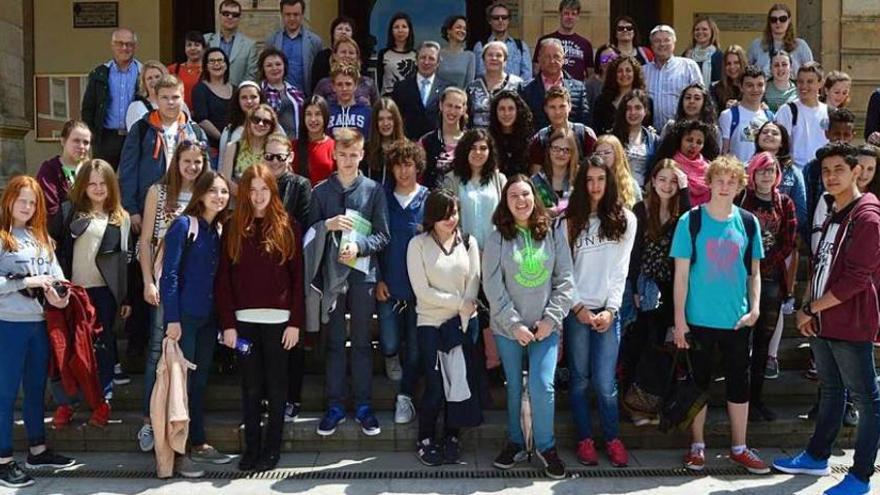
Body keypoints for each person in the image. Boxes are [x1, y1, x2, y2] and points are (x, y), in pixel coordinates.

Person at [773, 143, 880, 495]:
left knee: (866, 400)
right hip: (822, 320)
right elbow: (819, 265)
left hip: (851, 321)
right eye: (825, 171)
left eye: (839, 169)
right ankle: (817, 456)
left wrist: (811, 309)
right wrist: (808, 306)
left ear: (856, 172)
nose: (831, 176)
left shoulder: (867, 216)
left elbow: (856, 279)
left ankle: (861, 476)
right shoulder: (836, 210)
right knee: (831, 389)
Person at [670, 155, 769, 475]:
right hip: (698, 319)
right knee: (698, 385)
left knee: (739, 385)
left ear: (741, 186)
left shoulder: (749, 222)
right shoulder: (691, 221)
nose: (725, 186)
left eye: (732, 181)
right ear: (708, 183)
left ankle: (739, 447)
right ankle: (697, 446)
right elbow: (681, 276)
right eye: (719, 180)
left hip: (737, 320)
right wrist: (680, 320)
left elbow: (755, 273)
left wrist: (755, 309)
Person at [483, 174, 574, 479]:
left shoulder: (551, 232)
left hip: (545, 327)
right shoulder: (497, 238)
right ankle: (515, 441)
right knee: (512, 389)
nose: (521, 201)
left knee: (542, 386)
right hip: (508, 328)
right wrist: (514, 324)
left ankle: (546, 447)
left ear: (535, 197)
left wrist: (550, 319)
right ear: (505, 203)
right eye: (513, 196)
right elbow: (492, 286)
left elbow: (565, 280)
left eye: (525, 194)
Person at [216, 164, 302, 472]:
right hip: (244, 324)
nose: (258, 196)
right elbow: (223, 279)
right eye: (252, 190)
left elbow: (297, 279)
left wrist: (295, 322)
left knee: (277, 386)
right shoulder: (233, 225)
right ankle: (251, 448)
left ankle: (271, 449)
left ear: (272, 191)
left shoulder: (288, 224)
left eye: (263, 189)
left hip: (279, 322)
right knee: (250, 386)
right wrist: (228, 324)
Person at [306, 128, 389, 437]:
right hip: (331, 276)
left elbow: (383, 235)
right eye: (343, 154)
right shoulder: (320, 191)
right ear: (334, 155)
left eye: (354, 155)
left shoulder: (373, 190)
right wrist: (326, 225)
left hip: (362, 275)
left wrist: (361, 246)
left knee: (363, 344)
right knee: (335, 342)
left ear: (362, 155)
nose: (348, 160)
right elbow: (309, 236)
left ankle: (364, 406)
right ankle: (335, 405)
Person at [0, 176, 76, 489]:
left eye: (33, 202)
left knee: (35, 390)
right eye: (23, 201)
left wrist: (62, 294)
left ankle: (37, 449)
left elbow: (57, 276)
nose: (28, 207)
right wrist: (24, 283)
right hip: (8, 325)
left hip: (38, 324)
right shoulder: (3, 237)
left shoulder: (40, 237)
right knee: (4, 395)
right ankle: (3, 461)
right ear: (9, 200)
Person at [562, 153, 636, 467]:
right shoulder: (569, 220)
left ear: (609, 182)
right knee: (579, 380)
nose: (595, 186)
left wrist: (611, 309)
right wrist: (577, 306)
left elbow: (622, 270)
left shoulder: (625, 219)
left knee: (605, 384)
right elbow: (564, 270)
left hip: (609, 311)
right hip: (577, 311)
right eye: (589, 179)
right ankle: (585, 439)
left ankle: (612, 438)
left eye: (601, 179)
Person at [134, 140, 207, 453]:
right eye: (186, 161)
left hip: (196, 288)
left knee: (187, 357)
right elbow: (146, 242)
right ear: (176, 161)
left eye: (198, 162)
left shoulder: (208, 193)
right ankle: (150, 421)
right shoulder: (159, 192)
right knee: (156, 350)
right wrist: (148, 281)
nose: (192, 167)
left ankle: (181, 420)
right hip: (166, 283)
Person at [159, 170, 232, 474]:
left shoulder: (217, 229)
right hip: (185, 318)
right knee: (181, 387)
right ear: (201, 193)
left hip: (208, 318)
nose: (219, 197)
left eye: (224, 192)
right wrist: (172, 318)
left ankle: (199, 441)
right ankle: (180, 452)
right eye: (213, 191)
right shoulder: (182, 225)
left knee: (199, 383)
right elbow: (170, 275)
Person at [50, 159, 129, 427]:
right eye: (91, 183)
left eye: (102, 183)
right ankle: (66, 403)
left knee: (103, 348)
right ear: (82, 186)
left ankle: (103, 400)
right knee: (66, 349)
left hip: (103, 294)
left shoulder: (120, 218)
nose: (97, 188)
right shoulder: (69, 212)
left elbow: (123, 261)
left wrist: (124, 297)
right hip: (72, 294)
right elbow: (52, 249)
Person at [407, 188, 481, 466]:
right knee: (436, 386)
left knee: (458, 385)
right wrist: (458, 302)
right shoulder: (418, 244)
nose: (451, 219)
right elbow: (422, 290)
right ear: (432, 217)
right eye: (444, 215)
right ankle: (425, 438)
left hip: (463, 324)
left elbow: (473, 280)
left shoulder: (469, 242)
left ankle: (452, 436)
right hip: (431, 325)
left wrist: (465, 306)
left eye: (454, 213)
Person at [623, 159, 688, 426]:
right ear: (652, 181)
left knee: (662, 347)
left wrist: (684, 190)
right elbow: (634, 250)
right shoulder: (640, 209)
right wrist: (635, 287)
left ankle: (654, 406)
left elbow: (690, 226)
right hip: (644, 286)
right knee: (638, 344)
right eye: (662, 179)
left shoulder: (681, 214)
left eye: (673, 181)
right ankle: (633, 407)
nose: (667, 185)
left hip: (671, 287)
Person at [736, 152, 797, 423]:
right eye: (761, 170)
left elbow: (788, 242)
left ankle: (756, 399)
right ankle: (737, 398)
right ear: (752, 173)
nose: (766, 175)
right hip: (739, 277)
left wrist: (762, 263)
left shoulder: (784, 203)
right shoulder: (741, 200)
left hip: (770, 278)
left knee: (762, 343)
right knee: (739, 342)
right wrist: (748, 264)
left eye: (771, 171)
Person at [259, 135, 311, 423]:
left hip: (291, 266)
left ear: (290, 157)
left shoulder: (300, 185)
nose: (275, 162)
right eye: (270, 157)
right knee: (264, 341)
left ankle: (293, 398)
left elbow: (304, 224)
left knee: (293, 338)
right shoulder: (256, 183)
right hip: (261, 271)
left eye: (280, 157)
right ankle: (267, 397)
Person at [377, 140, 428, 425]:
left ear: (417, 167)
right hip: (389, 285)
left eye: (408, 164)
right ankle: (390, 355)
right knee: (390, 341)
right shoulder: (382, 197)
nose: (403, 171)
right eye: (398, 165)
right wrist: (379, 278)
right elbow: (373, 241)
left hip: (420, 290)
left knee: (416, 344)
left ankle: (405, 397)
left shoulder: (428, 198)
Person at [119, 74, 206, 235]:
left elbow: (205, 173)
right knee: (151, 251)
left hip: (187, 204)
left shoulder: (195, 131)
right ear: (156, 99)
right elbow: (128, 170)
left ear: (183, 98)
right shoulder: (142, 128)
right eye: (165, 97)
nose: (170, 102)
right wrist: (131, 209)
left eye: (175, 97)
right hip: (150, 204)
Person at [82, 28, 143, 169]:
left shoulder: (143, 72)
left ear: (135, 47)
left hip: (135, 137)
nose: (124, 48)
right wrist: (92, 136)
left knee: (131, 181)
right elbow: (88, 108)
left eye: (129, 44)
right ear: (112, 45)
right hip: (106, 138)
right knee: (103, 179)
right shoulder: (100, 73)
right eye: (120, 43)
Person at [442, 129, 507, 250]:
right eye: (472, 147)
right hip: (463, 249)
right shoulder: (450, 181)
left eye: (483, 148)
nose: (478, 152)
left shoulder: (499, 180)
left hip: (496, 249)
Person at [802, 108, 856, 244]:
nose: (841, 140)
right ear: (827, 133)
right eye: (837, 134)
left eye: (846, 135)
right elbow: (807, 205)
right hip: (820, 235)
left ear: (853, 135)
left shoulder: (859, 165)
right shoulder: (812, 168)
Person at [519, 38, 590, 130]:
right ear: (539, 59)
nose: (552, 61)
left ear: (563, 59)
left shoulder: (579, 88)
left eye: (556, 56)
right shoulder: (525, 89)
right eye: (547, 57)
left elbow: (585, 122)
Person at [391, 41, 454, 141]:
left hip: (437, 144)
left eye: (431, 58)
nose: (426, 62)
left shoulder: (447, 88)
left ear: (438, 63)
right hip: (409, 144)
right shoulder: (401, 87)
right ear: (416, 60)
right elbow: (396, 117)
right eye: (423, 57)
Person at [643, 25, 702, 130]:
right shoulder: (643, 71)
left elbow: (701, 98)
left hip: (682, 132)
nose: (662, 44)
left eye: (666, 40)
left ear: (674, 43)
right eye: (657, 41)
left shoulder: (688, 66)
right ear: (651, 45)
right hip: (651, 133)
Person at [527, 86, 597, 173]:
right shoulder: (539, 140)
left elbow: (596, 170)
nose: (557, 112)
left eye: (562, 106)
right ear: (545, 109)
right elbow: (536, 176)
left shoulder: (585, 135)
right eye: (552, 107)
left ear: (570, 107)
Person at [263, 0, 324, 95]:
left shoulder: (315, 41)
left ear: (302, 15)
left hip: (305, 98)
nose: (292, 18)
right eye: (288, 14)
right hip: (276, 97)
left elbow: (319, 73)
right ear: (282, 15)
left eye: (296, 14)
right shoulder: (272, 40)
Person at [776, 62, 829, 170]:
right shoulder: (787, 110)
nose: (804, 86)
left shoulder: (830, 112)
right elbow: (781, 146)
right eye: (800, 82)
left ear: (821, 83)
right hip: (796, 173)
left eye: (810, 82)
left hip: (823, 173)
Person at [37, 120, 92, 220]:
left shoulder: (93, 170)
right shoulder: (50, 170)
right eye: (76, 141)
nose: (81, 146)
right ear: (63, 141)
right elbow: (50, 211)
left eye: (86, 142)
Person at [655, 119, 717, 206]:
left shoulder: (710, 168)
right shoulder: (670, 165)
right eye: (689, 140)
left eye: (699, 142)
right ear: (680, 140)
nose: (694, 145)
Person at [720, 65, 773, 163]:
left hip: (762, 175)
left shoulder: (770, 117)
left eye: (760, 85)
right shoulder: (728, 115)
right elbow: (723, 153)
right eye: (750, 85)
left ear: (765, 86)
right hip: (738, 175)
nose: (755, 89)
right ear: (741, 87)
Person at [466, 41, 524, 129]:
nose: (494, 58)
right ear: (483, 60)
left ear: (505, 61)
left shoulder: (517, 84)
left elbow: (522, 115)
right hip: (478, 139)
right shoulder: (472, 87)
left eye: (499, 55)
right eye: (490, 55)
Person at [748, 3, 814, 77]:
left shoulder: (801, 46)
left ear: (789, 20)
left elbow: (811, 73)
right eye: (773, 19)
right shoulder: (756, 45)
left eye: (783, 19)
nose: (778, 22)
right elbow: (748, 71)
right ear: (769, 22)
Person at [420, 87, 467, 190]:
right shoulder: (426, 141)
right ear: (441, 106)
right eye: (449, 105)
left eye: (457, 107)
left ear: (464, 110)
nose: (452, 111)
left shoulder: (470, 142)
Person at [221, 104, 278, 189]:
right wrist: (248, 195)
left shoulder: (275, 150)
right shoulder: (233, 147)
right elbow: (225, 181)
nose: (261, 124)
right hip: (238, 200)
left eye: (266, 122)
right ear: (249, 122)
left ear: (271, 126)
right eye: (256, 120)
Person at [533, 0, 594, 81]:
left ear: (578, 17)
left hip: (575, 90)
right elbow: (536, 69)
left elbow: (590, 74)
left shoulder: (585, 44)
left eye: (573, 14)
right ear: (560, 15)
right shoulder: (545, 41)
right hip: (549, 89)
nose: (570, 17)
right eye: (566, 13)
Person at [312, 37, 380, 107]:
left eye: (351, 53)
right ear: (335, 56)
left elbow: (377, 110)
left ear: (357, 57)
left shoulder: (368, 83)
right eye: (343, 52)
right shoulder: (323, 84)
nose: (347, 56)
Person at [192, 48, 233, 165]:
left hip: (234, 147)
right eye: (212, 61)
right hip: (212, 150)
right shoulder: (200, 89)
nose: (216, 64)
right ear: (206, 66)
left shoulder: (235, 89)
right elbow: (202, 120)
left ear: (226, 64)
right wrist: (223, 139)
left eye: (220, 60)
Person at [611, 90, 659, 187]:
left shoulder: (653, 140)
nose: (633, 112)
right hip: (618, 189)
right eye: (629, 108)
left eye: (638, 108)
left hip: (643, 193)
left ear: (645, 111)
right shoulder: (613, 137)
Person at [204, 0, 258, 87]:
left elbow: (251, 76)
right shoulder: (206, 40)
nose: (230, 17)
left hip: (237, 95)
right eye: (226, 13)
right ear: (219, 15)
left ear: (239, 18)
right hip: (210, 93)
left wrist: (238, 93)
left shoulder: (250, 45)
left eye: (235, 15)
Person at [592, 55, 648, 136]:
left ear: (635, 73)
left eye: (628, 70)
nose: (624, 74)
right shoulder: (602, 101)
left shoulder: (646, 100)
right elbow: (596, 130)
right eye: (620, 71)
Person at [474, 1, 531, 80]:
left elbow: (527, 76)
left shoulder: (521, 46)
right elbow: (479, 74)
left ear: (509, 20)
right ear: (489, 20)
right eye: (496, 18)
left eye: (504, 17)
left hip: (515, 90)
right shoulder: (481, 46)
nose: (500, 20)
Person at [659, 83, 721, 155]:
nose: (691, 101)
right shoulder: (670, 127)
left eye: (697, 98)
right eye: (688, 97)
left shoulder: (713, 131)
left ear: (704, 103)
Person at [532, 127, 578, 217]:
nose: (561, 154)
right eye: (556, 148)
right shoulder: (535, 181)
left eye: (566, 150)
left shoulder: (580, 179)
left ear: (572, 153)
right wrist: (544, 212)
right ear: (549, 150)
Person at [259, 48, 304, 139]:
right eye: (269, 65)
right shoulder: (259, 93)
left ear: (284, 66)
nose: (274, 68)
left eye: (278, 64)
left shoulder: (295, 92)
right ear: (263, 69)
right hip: (271, 143)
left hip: (296, 142)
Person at [488, 90, 533, 178]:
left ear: (518, 110)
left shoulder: (529, 138)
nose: (506, 113)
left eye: (511, 108)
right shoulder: (488, 139)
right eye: (502, 109)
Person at [218, 80, 263, 168]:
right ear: (237, 101)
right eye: (244, 97)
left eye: (253, 97)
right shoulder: (229, 131)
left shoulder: (273, 126)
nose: (249, 101)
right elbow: (221, 164)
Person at [293, 95, 335, 186]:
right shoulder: (293, 146)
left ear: (325, 116)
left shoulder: (334, 147)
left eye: (318, 114)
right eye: (308, 114)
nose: (313, 119)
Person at [364, 97, 406, 184]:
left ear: (396, 120)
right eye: (381, 119)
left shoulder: (406, 149)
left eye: (390, 118)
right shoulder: (366, 149)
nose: (385, 123)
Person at [594, 134, 642, 208]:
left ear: (617, 154)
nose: (602, 156)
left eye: (607, 153)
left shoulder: (631, 184)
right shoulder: (591, 181)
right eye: (598, 154)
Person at [326, 63, 372, 139]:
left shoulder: (367, 112)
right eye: (339, 84)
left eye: (348, 84)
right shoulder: (327, 112)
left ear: (356, 85)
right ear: (333, 87)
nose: (344, 88)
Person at [310, 16, 355, 93]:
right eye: (340, 29)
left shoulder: (355, 55)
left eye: (347, 30)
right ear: (332, 32)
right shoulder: (322, 56)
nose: (343, 32)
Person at [376, 12, 417, 96]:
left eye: (404, 27)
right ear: (391, 30)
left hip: (409, 98)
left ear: (410, 30)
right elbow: (379, 80)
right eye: (396, 27)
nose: (400, 30)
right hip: (389, 99)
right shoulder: (384, 53)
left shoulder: (416, 54)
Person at [125, 61, 171, 132]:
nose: (154, 81)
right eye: (149, 78)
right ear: (144, 83)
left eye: (157, 76)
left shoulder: (178, 103)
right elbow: (133, 137)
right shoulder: (136, 107)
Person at [168, 31, 205, 109]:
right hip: (178, 114)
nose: (192, 48)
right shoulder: (173, 69)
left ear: (204, 48)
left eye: (197, 45)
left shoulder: (209, 70)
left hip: (202, 115)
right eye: (189, 45)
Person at [584, 45, 620, 124]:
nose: (609, 61)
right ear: (599, 64)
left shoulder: (623, 82)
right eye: (604, 59)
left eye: (613, 58)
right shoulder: (590, 84)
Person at [682, 16, 722, 89]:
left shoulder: (718, 56)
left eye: (704, 29)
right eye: (697, 29)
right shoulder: (686, 55)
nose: (700, 32)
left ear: (712, 32)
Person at [437, 15, 475, 88]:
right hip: (439, 98)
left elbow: (469, 85)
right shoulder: (438, 54)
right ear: (449, 31)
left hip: (460, 98)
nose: (462, 31)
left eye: (464, 29)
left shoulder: (470, 56)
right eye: (458, 27)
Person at [711, 45, 747, 113]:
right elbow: (713, 115)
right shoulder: (715, 88)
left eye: (736, 63)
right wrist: (725, 109)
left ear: (743, 63)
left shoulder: (752, 86)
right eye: (728, 63)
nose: (732, 67)